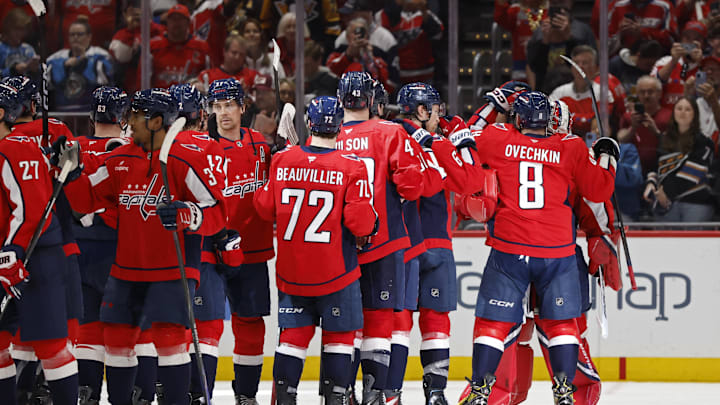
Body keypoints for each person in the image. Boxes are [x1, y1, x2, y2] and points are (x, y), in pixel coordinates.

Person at [58, 88, 226, 405]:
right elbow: (82, 199)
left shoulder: (186, 159)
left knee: (170, 339)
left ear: (156, 122)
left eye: (134, 116)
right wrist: (69, 173)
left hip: (173, 268)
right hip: (127, 269)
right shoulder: (119, 159)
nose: (127, 122)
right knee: (119, 339)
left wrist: (188, 214)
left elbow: (217, 211)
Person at [457, 91, 618, 405]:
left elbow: (463, 134)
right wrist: (608, 156)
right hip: (559, 251)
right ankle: (567, 391)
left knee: (496, 325)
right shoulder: (572, 149)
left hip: (511, 246)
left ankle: (484, 392)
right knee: (562, 326)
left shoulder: (498, 138)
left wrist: (492, 105)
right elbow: (600, 193)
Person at [254, 96, 377, 405]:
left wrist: (271, 169)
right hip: (337, 273)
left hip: (292, 274)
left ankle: (285, 398)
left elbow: (264, 208)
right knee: (339, 341)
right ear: (340, 126)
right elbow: (361, 224)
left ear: (309, 123)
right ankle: (335, 399)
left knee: (292, 341)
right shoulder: (352, 166)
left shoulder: (283, 160)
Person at [389, 82, 491, 405]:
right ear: (422, 110)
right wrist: (462, 140)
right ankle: (435, 394)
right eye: (435, 109)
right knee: (436, 320)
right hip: (435, 241)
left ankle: (390, 393)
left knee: (397, 320)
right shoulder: (438, 143)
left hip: (400, 243)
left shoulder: (390, 137)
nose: (439, 115)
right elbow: (472, 181)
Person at [335, 71, 427, 404]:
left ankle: (340, 393)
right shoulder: (392, 132)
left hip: (339, 246)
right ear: (373, 100)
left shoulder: (328, 134)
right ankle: (375, 395)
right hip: (384, 242)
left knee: (343, 325)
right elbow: (412, 187)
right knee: (379, 323)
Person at [0, 80, 79, 405]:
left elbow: (32, 211)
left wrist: (12, 253)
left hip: (35, 259)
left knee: (51, 344)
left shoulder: (16, 149)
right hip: (8, 257)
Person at [207, 78, 274, 404]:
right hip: (212, 250)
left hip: (252, 250)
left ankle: (246, 395)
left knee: (249, 323)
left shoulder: (262, 145)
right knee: (206, 325)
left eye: (228, 106)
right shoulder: (205, 147)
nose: (222, 114)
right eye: (216, 107)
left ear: (242, 107)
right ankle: (197, 392)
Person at [71, 86, 131, 405]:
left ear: (92, 115)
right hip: (119, 249)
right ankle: (124, 396)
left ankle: (88, 392)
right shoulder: (130, 148)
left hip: (79, 251)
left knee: (88, 325)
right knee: (121, 327)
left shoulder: (73, 147)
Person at [643, 97, 717, 221]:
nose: (683, 112)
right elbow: (656, 168)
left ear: (695, 114)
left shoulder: (704, 142)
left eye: (688, 109)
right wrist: (651, 184)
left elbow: (692, 174)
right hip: (664, 203)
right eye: (679, 108)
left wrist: (666, 196)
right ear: (674, 113)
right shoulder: (663, 139)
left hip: (695, 202)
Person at [526, 0, 597, 93]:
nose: (559, 4)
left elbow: (588, 62)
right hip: (545, 90)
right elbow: (534, 68)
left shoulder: (582, 31)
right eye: (554, 3)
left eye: (562, 2)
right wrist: (544, 42)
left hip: (576, 90)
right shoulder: (540, 33)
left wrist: (569, 37)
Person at [47, 16, 114, 111]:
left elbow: (106, 83)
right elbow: (48, 83)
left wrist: (84, 63)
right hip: (62, 112)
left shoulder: (101, 55)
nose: (75, 38)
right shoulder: (56, 57)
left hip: (89, 111)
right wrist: (64, 66)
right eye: (72, 34)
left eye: (79, 34)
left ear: (89, 36)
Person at [549, 45, 616, 136]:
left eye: (585, 63)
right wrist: (587, 119)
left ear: (596, 68)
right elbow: (553, 123)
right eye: (576, 63)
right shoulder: (559, 93)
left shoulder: (603, 93)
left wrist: (570, 118)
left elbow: (599, 126)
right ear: (572, 67)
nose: (579, 67)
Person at [376, 0, 444, 85]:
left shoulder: (427, 14)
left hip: (424, 74)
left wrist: (423, 11)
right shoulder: (383, 15)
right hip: (395, 75)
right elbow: (378, 40)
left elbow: (437, 35)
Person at [145, 4, 211, 88]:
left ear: (188, 22)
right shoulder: (154, 46)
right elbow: (143, 78)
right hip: (160, 98)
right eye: (173, 19)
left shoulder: (201, 46)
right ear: (167, 22)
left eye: (180, 19)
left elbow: (208, 78)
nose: (176, 23)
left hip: (191, 98)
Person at [618, 75, 673, 176]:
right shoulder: (628, 117)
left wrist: (656, 132)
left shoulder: (669, 116)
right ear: (637, 94)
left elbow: (675, 143)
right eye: (642, 92)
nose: (646, 96)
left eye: (650, 92)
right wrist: (633, 128)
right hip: (632, 172)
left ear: (659, 93)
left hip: (662, 170)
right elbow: (620, 139)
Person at [109, 0, 166, 93]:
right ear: (125, 15)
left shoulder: (158, 30)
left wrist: (148, 24)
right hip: (130, 89)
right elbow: (122, 57)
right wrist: (130, 30)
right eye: (131, 12)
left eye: (139, 11)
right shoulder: (121, 35)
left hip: (157, 84)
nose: (136, 15)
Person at [327, 17, 395, 93]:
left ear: (367, 36)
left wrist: (369, 59)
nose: (358, 36)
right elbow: (331, 72)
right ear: (347, 36)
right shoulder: (338, 52)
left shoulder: (377, 53)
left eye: (362, 32)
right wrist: (348, 55)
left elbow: (386, 82)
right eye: (355, 32)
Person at [652, 21, 705, 107]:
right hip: (666, 113)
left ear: (703, 44)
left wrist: (700, 65)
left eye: (696, 40)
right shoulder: (665, 61)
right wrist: (673, 62)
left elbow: (703, 95)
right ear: (681, 40)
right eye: (687, 38)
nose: (691, 42)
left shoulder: (707, 66)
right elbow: (652, 86)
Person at [493, 0, 546, 81]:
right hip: (520, 64)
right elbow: (500, 18)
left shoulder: (550, 9)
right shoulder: (515, 10)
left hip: (545, 63)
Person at [609, 0, 677, 51]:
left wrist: (643, 33)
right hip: (624, 57)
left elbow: (672, 40)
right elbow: (606, 46)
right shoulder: (618, 6)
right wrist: (620, 34)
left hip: (656, 57)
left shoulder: (664, 6)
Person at [0, 8, 40, 78]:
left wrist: (34, 70)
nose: (20, 34)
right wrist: (14, 70)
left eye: (23, 30)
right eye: (17, 29)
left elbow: (39, 77)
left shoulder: (28, 49)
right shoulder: (1, 48)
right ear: (8, 28)